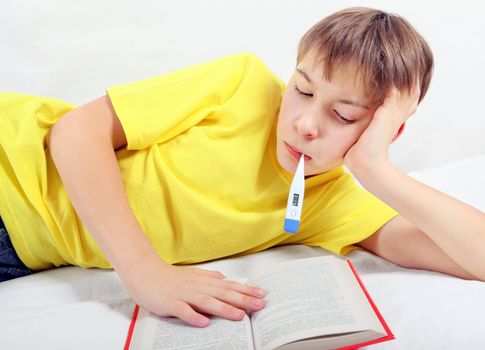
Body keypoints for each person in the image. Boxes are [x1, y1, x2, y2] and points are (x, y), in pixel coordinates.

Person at [1, 7, 484, 328]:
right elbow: (74, 133)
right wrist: (145, 271)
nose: (305, 123)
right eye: (303, 89)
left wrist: (379, 171)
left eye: (343, 115)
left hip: (19, 252)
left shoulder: (332, 205)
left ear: (384, 128)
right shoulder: (242, 83)